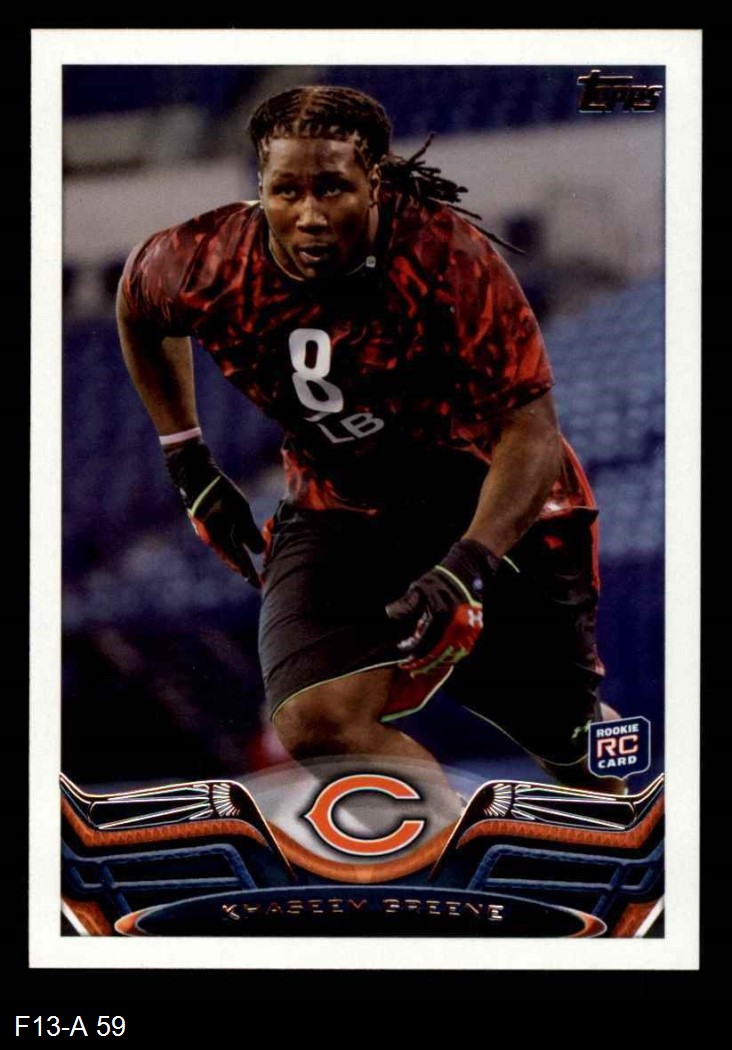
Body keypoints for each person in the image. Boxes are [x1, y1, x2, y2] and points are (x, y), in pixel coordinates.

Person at [117, 85, 625, 799]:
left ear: (375, 182)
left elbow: (532, 434)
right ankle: (454, 854)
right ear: (260, 188)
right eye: (286, 191)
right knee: (314, 721)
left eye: (332, 188)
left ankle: (637, 839)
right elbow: (138, 307)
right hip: (340, 504)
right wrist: (187, 458)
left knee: (568, 742)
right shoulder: (204, 259)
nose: (309, 214)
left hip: (485, 501)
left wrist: (468, 564)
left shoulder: (446, 257)